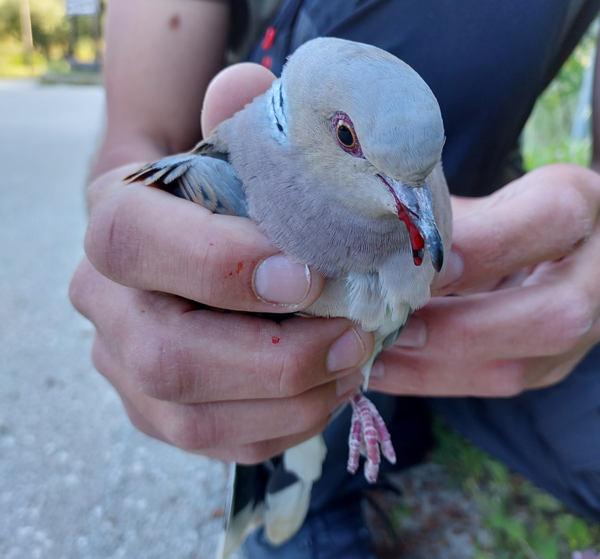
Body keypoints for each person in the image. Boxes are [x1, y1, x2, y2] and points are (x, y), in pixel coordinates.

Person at [69, 0, 600, 557]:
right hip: (296, 346)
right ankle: (306, 504)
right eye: (348, 137)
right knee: (294, 434)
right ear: (329, 127)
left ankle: (369, 404)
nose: (417, 208)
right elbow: (136, 140)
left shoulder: (414, 191)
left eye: (422, 177)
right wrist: (129, 252)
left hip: (497, 285)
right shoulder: (233, 180)